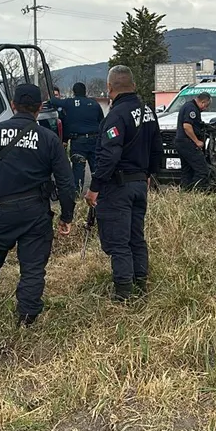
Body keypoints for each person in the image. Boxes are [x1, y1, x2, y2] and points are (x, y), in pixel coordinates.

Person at [0, 84, 77, 326]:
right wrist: (67, 215)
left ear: (12, 105)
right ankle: (27, 319)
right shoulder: (49, 138)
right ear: (40, 107)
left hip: (0, 212)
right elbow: (66, 182)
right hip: (36, 213)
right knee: (33, 268)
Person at [86, 66, 163, 302]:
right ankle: (141, 286)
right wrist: (148, 174)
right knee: (135, 238)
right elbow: (157, 149)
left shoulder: (116, 115)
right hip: (140, 183)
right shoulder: (148, 111)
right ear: (134, 85)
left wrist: (95, 187)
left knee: (118, 243)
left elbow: (110, 155)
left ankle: (123, 295)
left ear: (109, 88)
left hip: (118, 186)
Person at [49, 82, 106, 193]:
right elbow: (102, 122)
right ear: (85, 91)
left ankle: (77, 194)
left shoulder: (69, 103)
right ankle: (98, 193)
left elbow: (53, 101)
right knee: (96, 168)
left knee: (78, 169)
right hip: (94, 140)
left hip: (78, 142)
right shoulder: (94, 104)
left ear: (74, 92)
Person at [175, 91, 212, 191]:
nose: (205, 109)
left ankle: (185, 192)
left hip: (181, 143)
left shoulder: (188, 106)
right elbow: (187, 126)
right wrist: (197, 141)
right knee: (202, 170)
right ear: (203, 102)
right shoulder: (191, 108)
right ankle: (196, 191)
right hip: (188, 143)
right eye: (206, 106)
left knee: (187, 170)